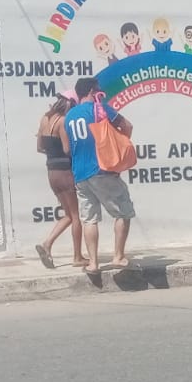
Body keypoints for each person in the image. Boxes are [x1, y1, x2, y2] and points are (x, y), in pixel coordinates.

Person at [61, 77, 136, 273]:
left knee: (89, 219)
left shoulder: (69, 117)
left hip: (80, 173)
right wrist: (118, 144)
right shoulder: (99, 108)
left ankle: (93, 263)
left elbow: (67, 148)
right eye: (99, 91)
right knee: (123, 211)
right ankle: (118, 256)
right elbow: (127, 125)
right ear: (92, 92)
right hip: (102, 169)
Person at [34, 91, 86, 269]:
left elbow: (40, 147)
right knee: (76, 216)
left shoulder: (44, 119)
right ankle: (78, 257)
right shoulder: (62, 122)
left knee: (68, 215)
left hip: (51, 172)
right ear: (70, 104)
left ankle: (47, 244)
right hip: (65, 172)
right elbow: (67, 150)